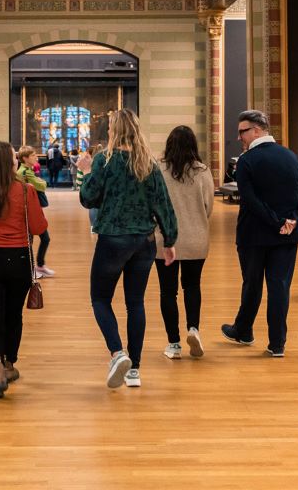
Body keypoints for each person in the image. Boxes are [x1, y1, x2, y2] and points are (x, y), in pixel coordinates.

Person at [79, 109, 177, 388]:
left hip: (113, 239)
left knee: (100, 298)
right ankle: (134, 369)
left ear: (115, 130)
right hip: (144, 241)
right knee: (135, 303)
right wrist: (169, 241)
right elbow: (164, 205)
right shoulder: (149, 164)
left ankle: (117, 352)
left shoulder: (104, 161)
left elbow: (88, 198)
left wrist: (85, 172)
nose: (107, 131)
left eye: (109, 127)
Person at [221, 110, 298, 359]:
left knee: (252, 285)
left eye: (243, 131)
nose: (239, 136)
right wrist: (294, 220)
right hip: (287, 235)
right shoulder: (291, 156)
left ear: (258, 130)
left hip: (254, 235)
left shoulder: (247, 161)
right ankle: (277, 343)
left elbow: (250, 201)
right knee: (279, 287)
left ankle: (244, 330)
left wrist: (276, 222)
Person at [0, 142, 48, 399]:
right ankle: (10, 363)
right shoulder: (25, 191)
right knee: (13, 315)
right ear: (9, 162)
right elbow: (37, 226)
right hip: (17, 259)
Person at [154, 125, 214, 360]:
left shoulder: (159, 169)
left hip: (165, 240)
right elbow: (208, 206)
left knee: (168, 292)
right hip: (196, 238)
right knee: (192, 286)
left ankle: (174, 344)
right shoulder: (203, 171)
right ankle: (193, 329)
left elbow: (153, 204)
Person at [15, 146, 53, 278]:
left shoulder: (27, 171)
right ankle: (32, 269)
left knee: (44, 238)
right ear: (25, 158)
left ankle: (39, 266)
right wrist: (42, 183)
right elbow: (42, 185)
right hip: (28, 212)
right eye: (33, 155)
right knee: (30, 240)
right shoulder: (24, 172)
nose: (36, 157)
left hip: (34, 210)